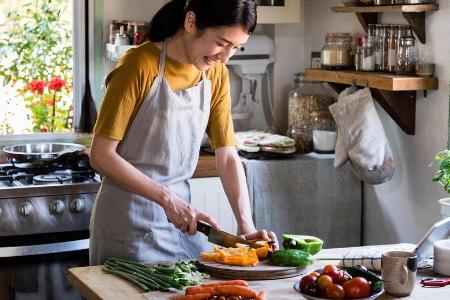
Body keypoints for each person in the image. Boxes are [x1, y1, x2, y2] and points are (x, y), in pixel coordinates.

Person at [89, 0, 277, 265]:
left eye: (236, 47)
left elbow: (227, 156)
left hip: (184, 223)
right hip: (128, 224)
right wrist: (166, 199)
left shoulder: (215, 74)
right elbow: (100, 155)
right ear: (191, 22)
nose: (225, 56)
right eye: (222, 43)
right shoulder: (139, 65)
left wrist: (245, 224)